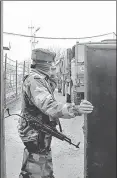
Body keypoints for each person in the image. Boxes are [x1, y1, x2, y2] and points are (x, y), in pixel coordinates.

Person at [18, 48, 94, 178]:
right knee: (38, 171)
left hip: (37, 134)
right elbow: (50, 106)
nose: (54, 66)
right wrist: (75, 109)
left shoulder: (42, 79)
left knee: (36, 171)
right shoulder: (34, 80)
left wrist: (52, 74)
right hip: (35, 134)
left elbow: (51, 86)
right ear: (45, 64)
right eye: (51, 63)